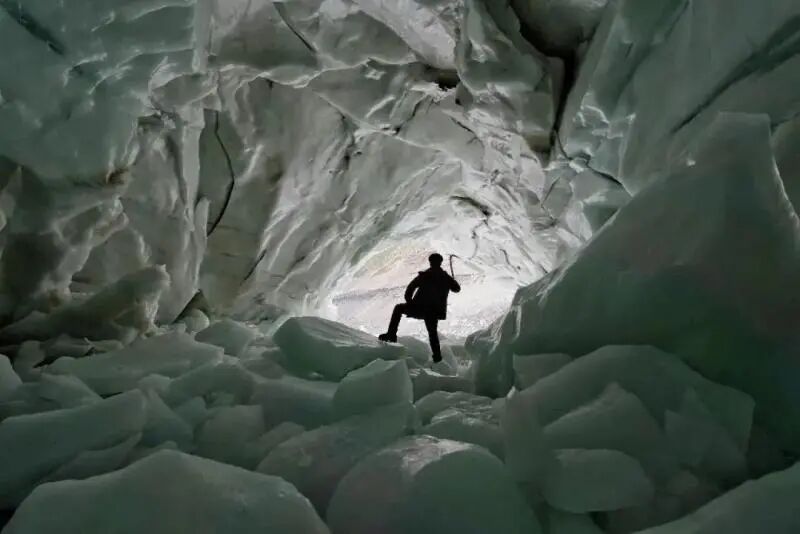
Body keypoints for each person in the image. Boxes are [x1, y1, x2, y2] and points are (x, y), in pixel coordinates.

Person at [378, 253, 460, 363]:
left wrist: (410, 302)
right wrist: (451, 280)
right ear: (440, 262)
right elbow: (457, 289)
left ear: (430, 262)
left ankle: (391, 334)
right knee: (432, 333)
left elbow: (409, 289)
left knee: (398, 308)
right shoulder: (445, 277)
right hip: (434, 312)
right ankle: (437, 357)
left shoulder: (425, 275)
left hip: (419, 308)